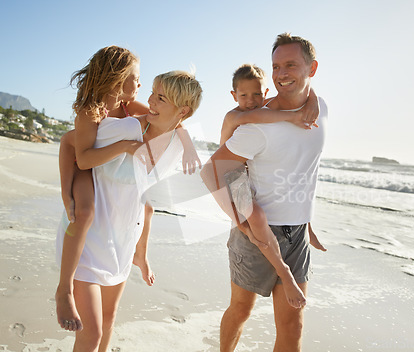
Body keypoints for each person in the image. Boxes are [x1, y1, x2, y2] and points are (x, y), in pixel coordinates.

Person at [55, 46, 201, 334]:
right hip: (82, 167)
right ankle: (64, 289)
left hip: (104, 165)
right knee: (83, 212)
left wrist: (188, 145)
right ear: (117, 79)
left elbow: (172, 120)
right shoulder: (90, 112)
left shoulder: (129, 108)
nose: (141, 85)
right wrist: (65, 190)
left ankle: (139, 255)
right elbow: (77, 153)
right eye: (136, 78)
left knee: (147, 205)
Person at [201, 33, 327, 352]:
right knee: (241, 310)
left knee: (292, 325)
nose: (282, 72)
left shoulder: (320, 109)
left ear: (311, 69)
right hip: (255, 230)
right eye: (276, 66)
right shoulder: (255, 125)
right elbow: (212, 170)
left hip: (296, 233)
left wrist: (307, 221)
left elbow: (306, 169)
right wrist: (239, 221)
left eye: (290, 64)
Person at [219, 64, 326, 309]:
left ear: (265, 92)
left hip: (249, 174)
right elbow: (261, 116)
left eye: (257, 94)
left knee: (293, 185)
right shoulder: (235, 115)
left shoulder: (263, 107)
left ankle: (308, 227)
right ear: (234, 96)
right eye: (244, 95)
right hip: (232, 175)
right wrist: (298, 115)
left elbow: (301, 90)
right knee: (256, 217)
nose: (251, 100)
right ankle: (284, 272)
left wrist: (313, 99)